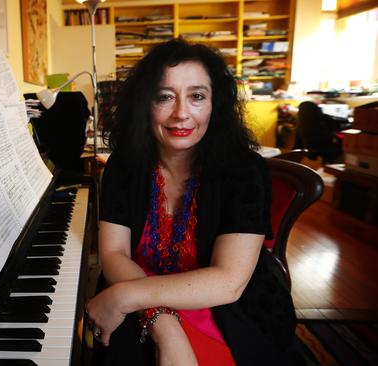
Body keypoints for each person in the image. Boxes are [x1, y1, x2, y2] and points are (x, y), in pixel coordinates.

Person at [85, 39, 303, 366]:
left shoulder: (244, 169)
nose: (181, 114)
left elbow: (228, 282)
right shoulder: (122, 165)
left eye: (197, 96)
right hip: (136, 283)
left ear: (216, 105)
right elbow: (114, 254)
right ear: (145, 104)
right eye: (164, 97)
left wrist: (124, 296)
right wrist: (163, 323)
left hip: (226, 304)